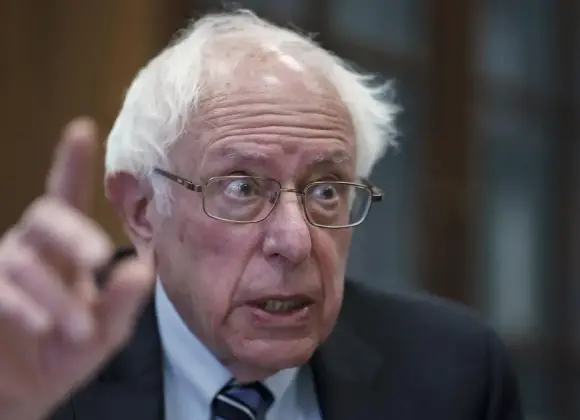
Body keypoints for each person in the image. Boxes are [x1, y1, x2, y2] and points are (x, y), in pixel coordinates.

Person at [0, 10, 523, 420]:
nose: (295, 242)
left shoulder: (454, 374)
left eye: (326, 191)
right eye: (242, 188)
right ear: (141, 210)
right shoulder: (37, 365)